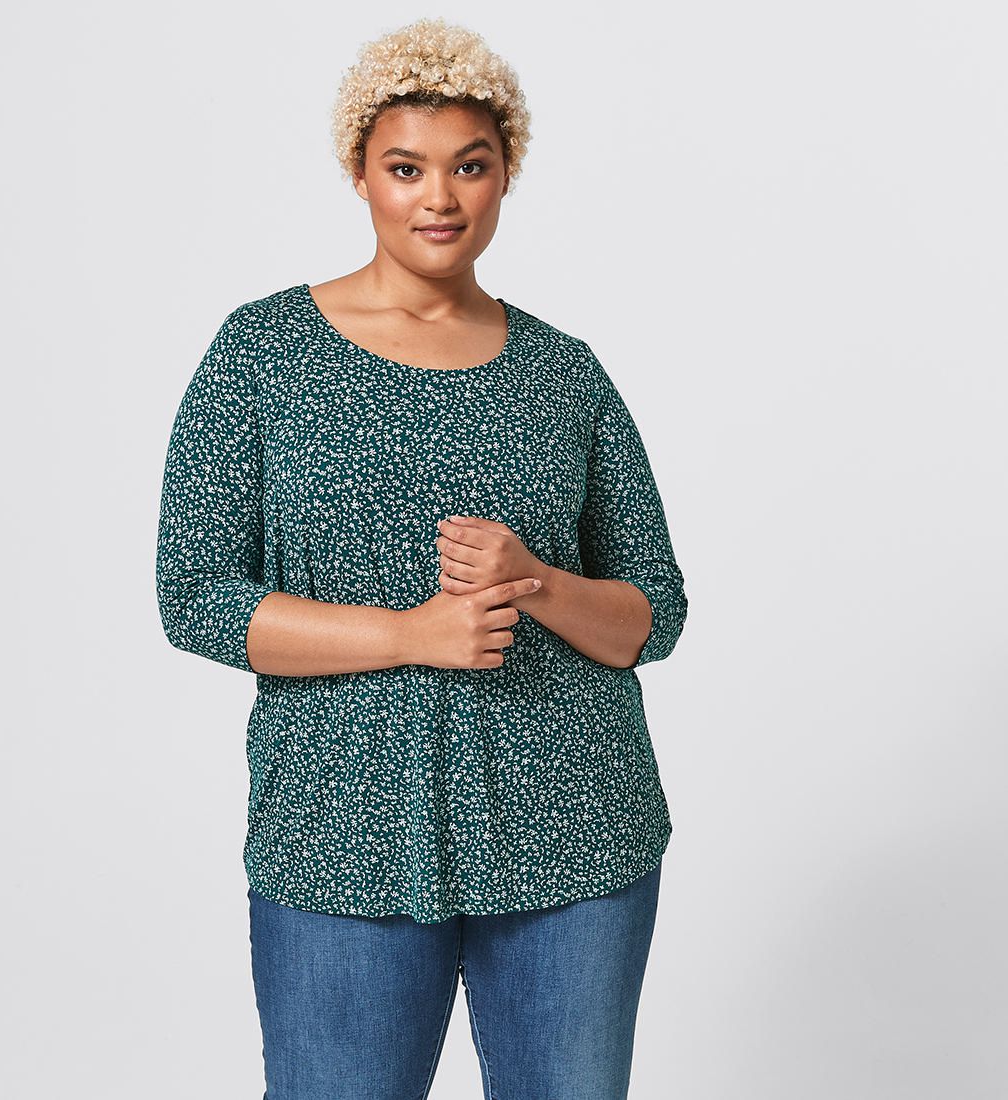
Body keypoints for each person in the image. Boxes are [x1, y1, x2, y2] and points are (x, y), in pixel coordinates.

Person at [155, 16, 689, 1100]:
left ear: (505, 176)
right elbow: (195, 598)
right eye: (405, 167)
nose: (438, 197)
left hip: (575, 832)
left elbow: (654, 614)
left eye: (469, 166)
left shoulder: (563, 374)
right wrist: (411, 634)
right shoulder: (263, 353)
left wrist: (534, 579)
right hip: (342, 833)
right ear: (359, 174)